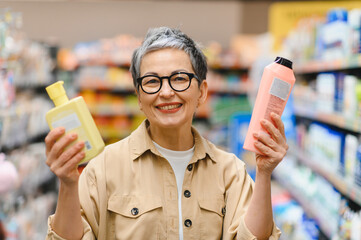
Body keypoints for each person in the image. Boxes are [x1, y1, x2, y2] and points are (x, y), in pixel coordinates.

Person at [46, 27, 287, 240]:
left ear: (202, 92)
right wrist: (68, 184)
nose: (166, 92)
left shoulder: (230, 172)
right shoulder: (103, 168)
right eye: (152, 81)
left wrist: (264, 174)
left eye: (179, 78)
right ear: (139, 96)